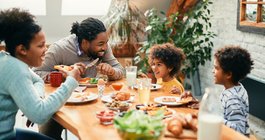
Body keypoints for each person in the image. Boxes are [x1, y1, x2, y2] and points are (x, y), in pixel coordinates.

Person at [0, 8, 84, 139]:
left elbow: (37, 80)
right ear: (22, 49)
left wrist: (35, 101)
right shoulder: (15, 69)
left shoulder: (6, 59)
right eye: (40, 46)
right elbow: (39, 115)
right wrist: (71, 81)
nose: (46, 50)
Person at [33, 17, 124, 81]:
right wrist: (63, 75)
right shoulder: (59, 49)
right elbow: (36, 73)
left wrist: (112, 72)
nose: (105, 47)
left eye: (106, 42)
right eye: (100, 44)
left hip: (92, 97)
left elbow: (120, 70)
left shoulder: (103, 48)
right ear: (85, 42)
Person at [213, 45, 253, 136]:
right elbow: (225, 112)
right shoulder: (234, 89)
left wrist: (215, 118)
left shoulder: (233, 98)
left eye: (216, 68)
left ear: (228, 74)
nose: (213, 71)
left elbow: (239, 130)